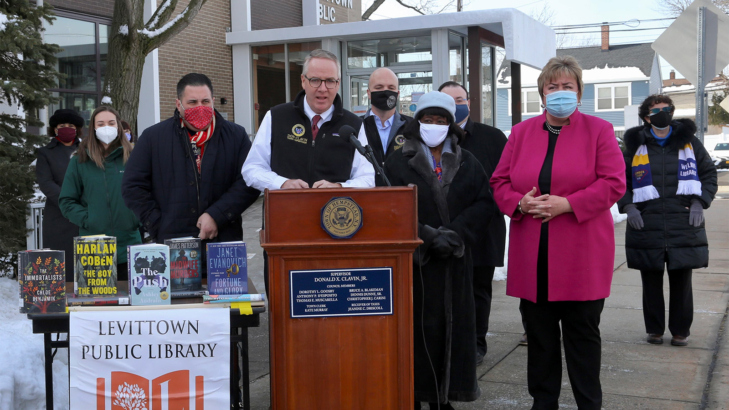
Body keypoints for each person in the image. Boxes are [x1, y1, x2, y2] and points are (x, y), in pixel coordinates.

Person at [490, 55, 626, 410]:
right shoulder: (520, 133)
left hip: (581, 255)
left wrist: (568, 204)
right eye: (553, 87)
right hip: (533, 256)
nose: (560, 92)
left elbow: (614, 182)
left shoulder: (599, 130)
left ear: (579, 93)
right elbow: (499, 182)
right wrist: (519, 203)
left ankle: (588, 403)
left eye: (568, 86)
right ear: (542, 94)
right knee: (540, 339)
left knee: (582, 337)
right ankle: (543, 402)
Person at [384, 91, 494, 409]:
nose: (434, 125)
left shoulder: (468, 161)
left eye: (441, 120)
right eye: (428, 120)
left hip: (455, 262)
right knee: (418, 332)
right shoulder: (397, 161)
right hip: (416, 263)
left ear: (451, 125)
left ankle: (446, 395)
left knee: (454, 330)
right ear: (417, 123)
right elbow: (389, 208)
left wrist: (455, 235)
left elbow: (484, 202)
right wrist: (428, 237)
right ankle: (417, 394)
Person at [242, 49, 374, 293]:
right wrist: (281, 183)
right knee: (284, 304)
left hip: (337, 232)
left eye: (330, 81)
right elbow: (251, 168)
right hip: (285, 231)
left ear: (338, 83)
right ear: (303, 81)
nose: (322, 88)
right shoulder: (276, 117)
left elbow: (368, 177)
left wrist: (340, 187)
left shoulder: (353, 125)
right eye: (315, 80)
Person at [618, 94, 717, 347]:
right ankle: (654, 330)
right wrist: (629, 206)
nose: (662, 113)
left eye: (667, 109)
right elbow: (620, 180)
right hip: (646, 221)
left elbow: (708, 174)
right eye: (656, 110)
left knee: (682, 280)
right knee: (650, 279)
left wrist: (699, 201)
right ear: (646, 116)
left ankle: (680, 331)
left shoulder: (689, 142)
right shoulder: (634, 145)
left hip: (683, 221)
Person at [122, 73, 260, 252]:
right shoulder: (153, 138)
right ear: (178, 104)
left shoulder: (236, 136)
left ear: (213, 101)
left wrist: (217, 215)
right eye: (192, 102)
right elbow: (132, 186)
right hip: (173, 247)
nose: (200, 107)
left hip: (224, 242)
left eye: (205, 101)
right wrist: (157, 224)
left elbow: (249, 182)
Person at [439, 80, 508, 365]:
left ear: (470, 101)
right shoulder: (430, 136)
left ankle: (477, 343)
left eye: (460, 99)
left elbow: (504, 180)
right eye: (449, 100)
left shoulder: (493, 138)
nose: (456, 105)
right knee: (444, 289)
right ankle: (445, 340)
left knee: (479, 289)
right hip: (441, 230)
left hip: (482, 228)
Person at [59, 106, 141, 280]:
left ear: (118, 126)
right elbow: (67, 201)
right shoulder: (79, 160)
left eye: (111, 123)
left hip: (130, 245)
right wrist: (89, 219)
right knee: (96, 303)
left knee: (133, 303)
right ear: (93, 128)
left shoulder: (134, 157)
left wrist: (136, 217)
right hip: (93, 248)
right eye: (101, 123)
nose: (106, 127)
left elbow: (148, 194)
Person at [36, 109, 84, 280]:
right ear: (54, 129)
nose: (66, 128)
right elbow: (46, 183)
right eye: (62, 125)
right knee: (59, 266)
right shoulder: (45, 153)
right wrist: (68, 202)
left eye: (70, 125)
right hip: (58, 216)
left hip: (85, 214)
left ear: (77, 128)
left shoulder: (87, 149)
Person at [361, 67, 412, 186]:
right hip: (365, 197)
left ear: (398, 94)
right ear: (369, 93)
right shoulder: (356, 126)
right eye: (379, 87)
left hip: (402, 197)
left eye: (391, 88)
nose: (385, 91)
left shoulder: (412, 127)